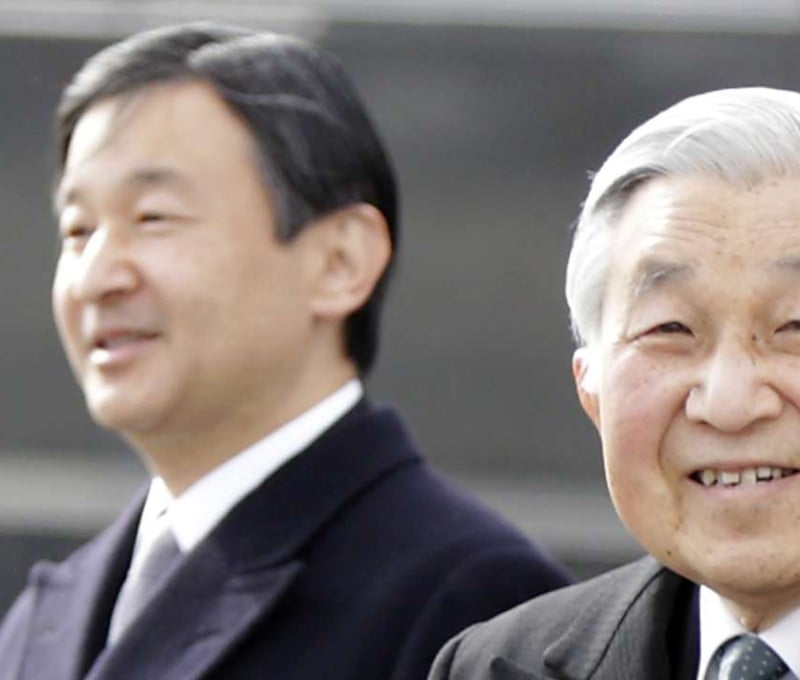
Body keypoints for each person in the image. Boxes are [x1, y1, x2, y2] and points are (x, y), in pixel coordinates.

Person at [0, 22, 570, 679]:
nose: (98, 277)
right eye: (77, 230)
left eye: (154, 217)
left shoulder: (470, 604)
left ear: (339, 261)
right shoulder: (55, 612)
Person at [430, 87, 800, 679]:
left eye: (798, 324)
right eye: (670, 328)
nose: (729, 403)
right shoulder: (492, 666)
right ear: (594, 394)